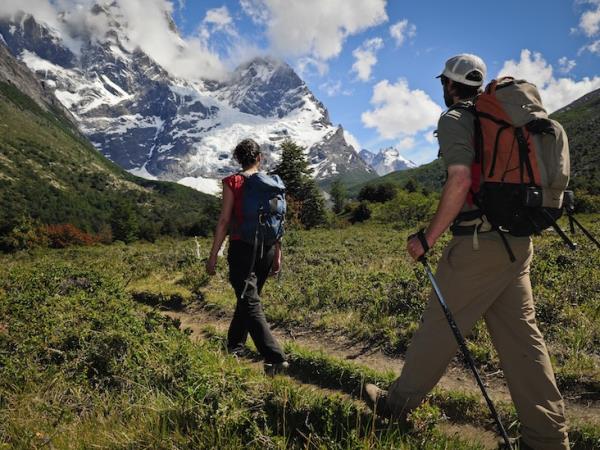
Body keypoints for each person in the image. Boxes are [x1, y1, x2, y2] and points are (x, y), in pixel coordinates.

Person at [364, 54, 569, 450]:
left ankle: (396, 405)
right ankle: (548, 439)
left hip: (476, 247)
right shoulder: (502, 119)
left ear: (449, 85)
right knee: (524, 340)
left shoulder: (456, 119)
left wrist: (427, 238)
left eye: (443, 83)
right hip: (517, 243)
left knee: (437, 329)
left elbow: (459, 180)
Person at [206, 138, 288, 374]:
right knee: (247, 300)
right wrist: (278, 254)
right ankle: (234, 346)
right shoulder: (273, 184)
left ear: (238, 159)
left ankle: (274, 357)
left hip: (243, 248)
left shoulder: (234, 181)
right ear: (259, 158)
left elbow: (224, 220)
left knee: (249, 301)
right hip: (268, 248)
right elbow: (279, 221)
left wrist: (213, 255)